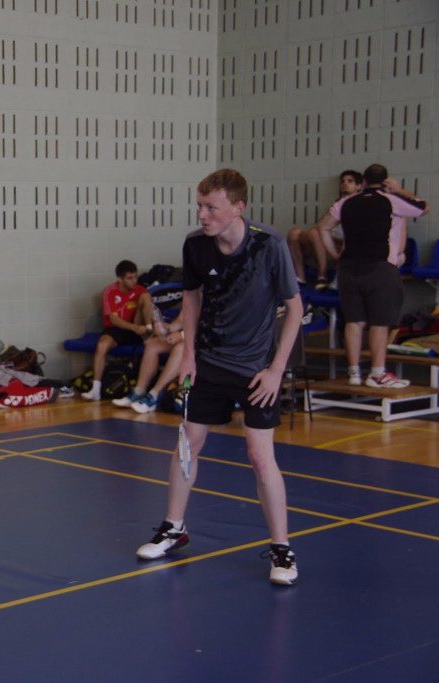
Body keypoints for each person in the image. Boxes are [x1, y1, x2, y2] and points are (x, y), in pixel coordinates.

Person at [136, 169, 304, 586]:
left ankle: (282, 549)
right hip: (208, 363)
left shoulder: (269, 245)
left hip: (256, 370)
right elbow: (191, 298)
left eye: (211, 207)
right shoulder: (196, 244)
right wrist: (189, 355)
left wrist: (275, 371)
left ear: (238, 208)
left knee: (260, 456)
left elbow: (295, 309)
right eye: (199, 205)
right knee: (188, 443)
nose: (202, 214)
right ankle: (174, 528)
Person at [315, 165, 429, 389]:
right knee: (380, 321)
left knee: (354, 321)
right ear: (385, 182)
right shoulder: (391, 200)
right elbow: (423, 208)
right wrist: (399, 190)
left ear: (363, 182)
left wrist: (336, 255)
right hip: (379, 267)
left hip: (348, 268)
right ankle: (377, 373)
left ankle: (353, 373)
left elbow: (322, 227)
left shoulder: (346, 202)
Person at [80, 260, 153, 401]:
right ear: (120, 279)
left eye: (135, 277)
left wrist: (144, 327)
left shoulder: (139, 290)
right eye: (130, 278)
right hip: (118, 329)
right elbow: (114, 320)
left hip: (138, 327)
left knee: (145, 296)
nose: (134, 281)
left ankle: (149, 331)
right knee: (102, 345)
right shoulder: (110, 291)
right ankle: (95, 389)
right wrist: (135, 328)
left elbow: (147, 307)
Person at [287, 170, 363, 289]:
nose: (344, 184)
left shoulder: (359, 203)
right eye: (342, 181)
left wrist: (331, 240)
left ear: (359, 186)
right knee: (294, 232)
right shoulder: (339, 204)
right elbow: (322, 226)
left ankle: (322, 275)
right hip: (322, 246)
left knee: (314, 232)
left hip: (339, 251)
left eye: (350, 181)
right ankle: (300, 276)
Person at [111, 316, 185, 414]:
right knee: (152, 344)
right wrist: (169, 327)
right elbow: (182, 319)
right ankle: (139, 391)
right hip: (190, 338)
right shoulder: (190, 304)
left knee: (180, 348)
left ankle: (154, 395)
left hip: (202, 343)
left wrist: (182, 335)